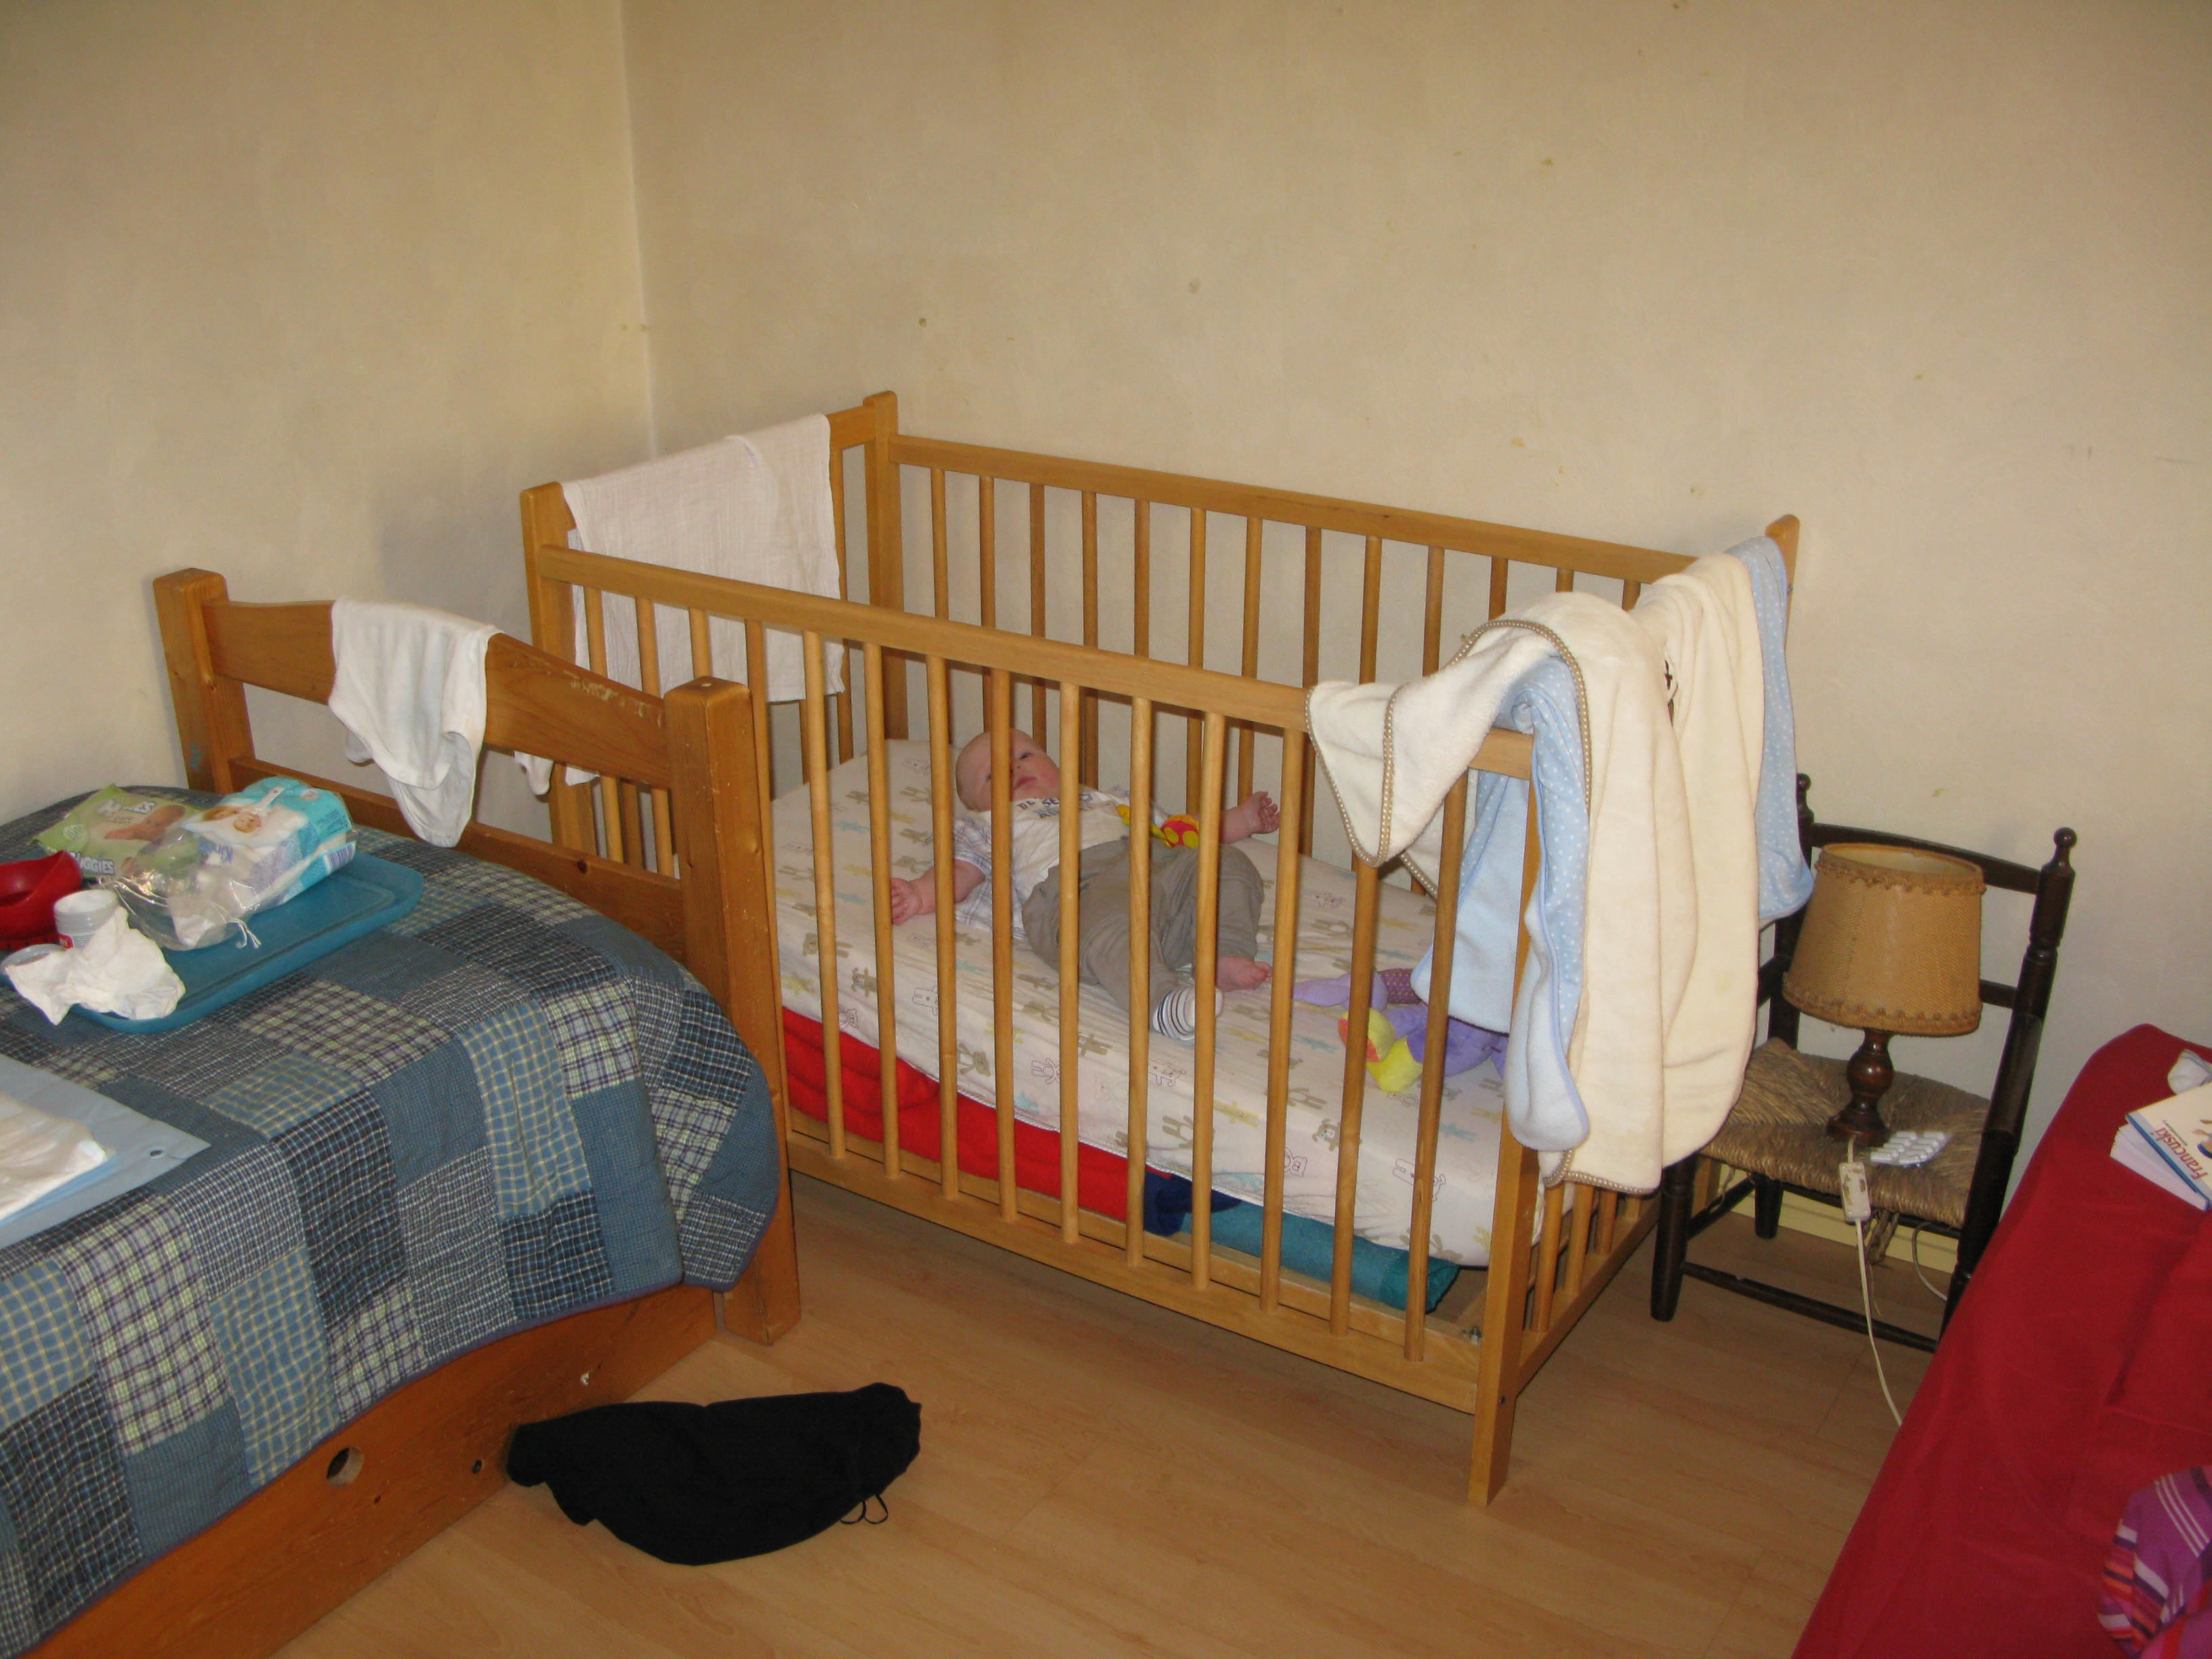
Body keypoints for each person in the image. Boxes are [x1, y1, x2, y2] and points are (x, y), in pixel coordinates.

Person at [885, 729, 1280, 1039]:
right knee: (1108, 926)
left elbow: (1183, 830)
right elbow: (960, 872)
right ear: (976, 804)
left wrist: (1242, 819)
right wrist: (919, 894)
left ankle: (1224, 955)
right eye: (992, 775)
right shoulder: (986, 824)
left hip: (1157, 875)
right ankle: (1161, 1003)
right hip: (1080, 888)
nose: (1014, 769)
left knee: (1225, 863)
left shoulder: (1107, 799)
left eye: (1024, 756)